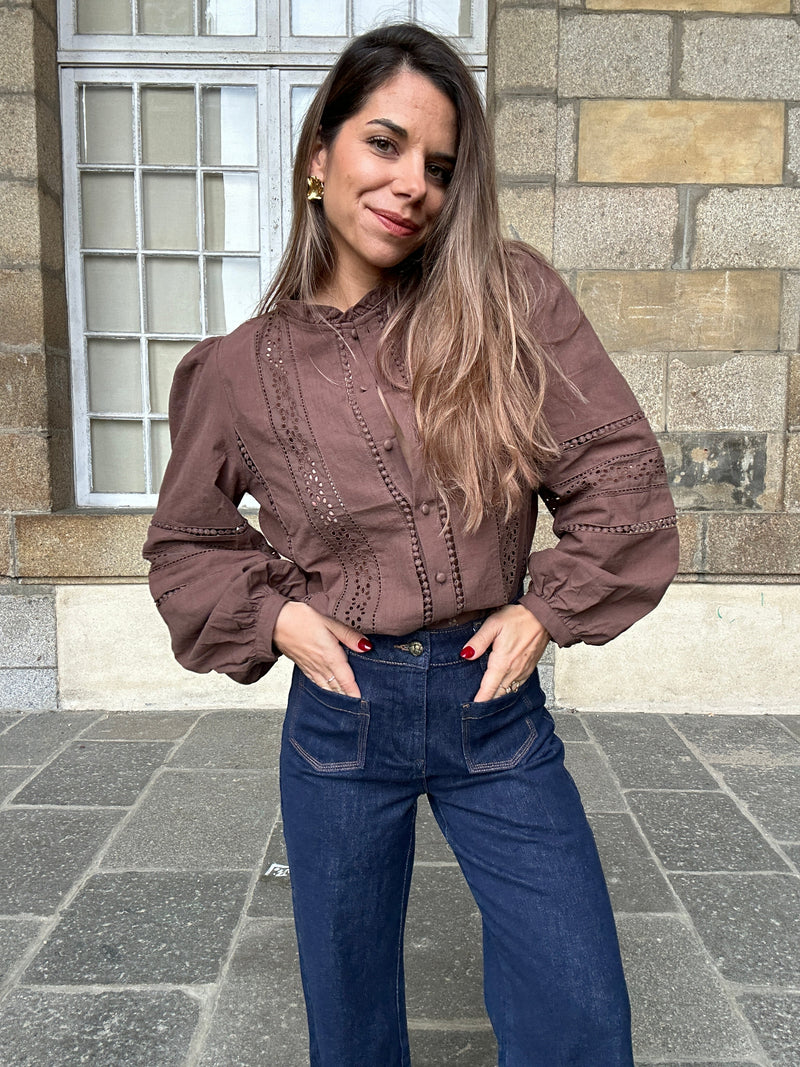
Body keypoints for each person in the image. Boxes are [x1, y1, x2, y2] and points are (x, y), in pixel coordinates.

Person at [143, 22, 678, 1067]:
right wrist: (280, 617)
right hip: (342, 715)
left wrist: (543, 608)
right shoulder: (237, 369)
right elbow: (185, 541)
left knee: (577, 1003)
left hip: (493, 706)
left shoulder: (508, 301)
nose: (410, 184)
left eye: (438, 165)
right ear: (318, 155)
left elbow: (615, 472)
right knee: (350, 1023)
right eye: (383, 144)